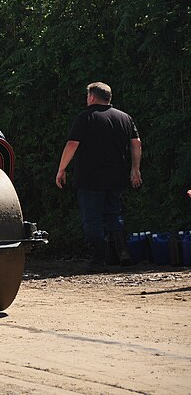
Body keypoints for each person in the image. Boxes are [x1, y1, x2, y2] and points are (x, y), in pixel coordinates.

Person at [56, 82, 142, 265]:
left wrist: (62, 169)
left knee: (92, 218)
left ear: (92, 97)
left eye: (87, 96)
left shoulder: (86, 117)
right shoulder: (125, 117)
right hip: (117, 176)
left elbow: (72, 145)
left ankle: (98, 258)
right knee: (115, 214)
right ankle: (122, 253)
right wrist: (135, 169)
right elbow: (136, 143)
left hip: (90, 178)